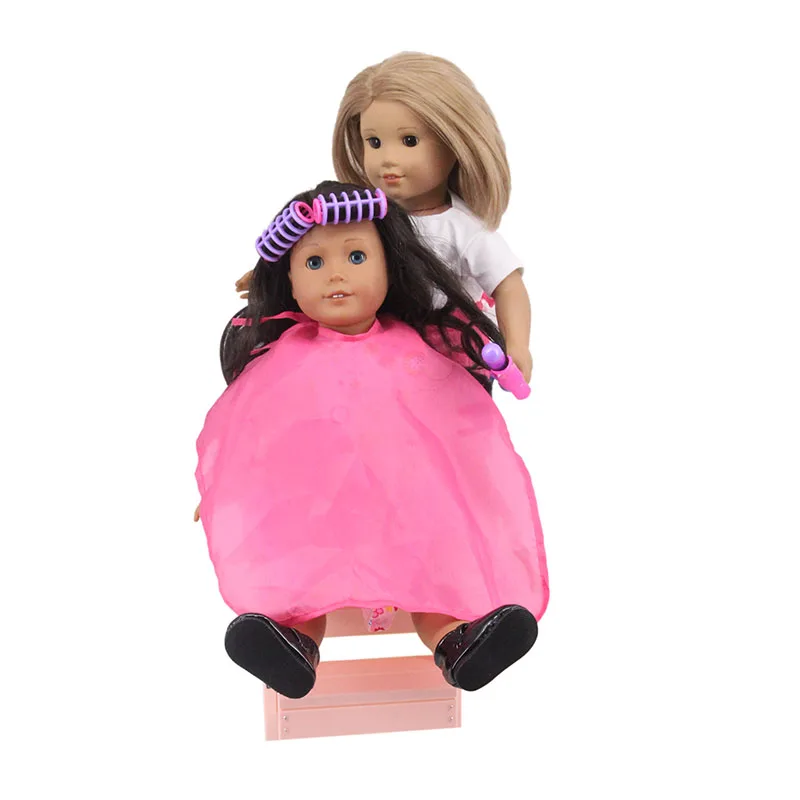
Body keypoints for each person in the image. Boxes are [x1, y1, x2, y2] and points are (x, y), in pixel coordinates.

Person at [197, 181, 548, 699]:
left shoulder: (423, 347)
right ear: (289, 277)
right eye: (314, 262)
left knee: (439, 569)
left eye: (357, 256)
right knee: (296, 580)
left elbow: (457, 432)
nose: (336, 274)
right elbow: (250, 444)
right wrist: (220, 493)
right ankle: (293, 643)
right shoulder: (277, 363)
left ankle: (458, 642)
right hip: (313, 515)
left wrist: (480, 479)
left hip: (410, 511)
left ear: (391, 264)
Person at [236, 52, 534, 382]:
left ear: (456, 144)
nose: (388, 158)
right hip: (380, 342)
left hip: (445, 352)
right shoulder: (367, 215)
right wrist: (274, 275)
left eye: (409, 141)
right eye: (374, 142)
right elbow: (326, 250)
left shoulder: (463, 230)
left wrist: (518, 346)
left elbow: (508, 287)